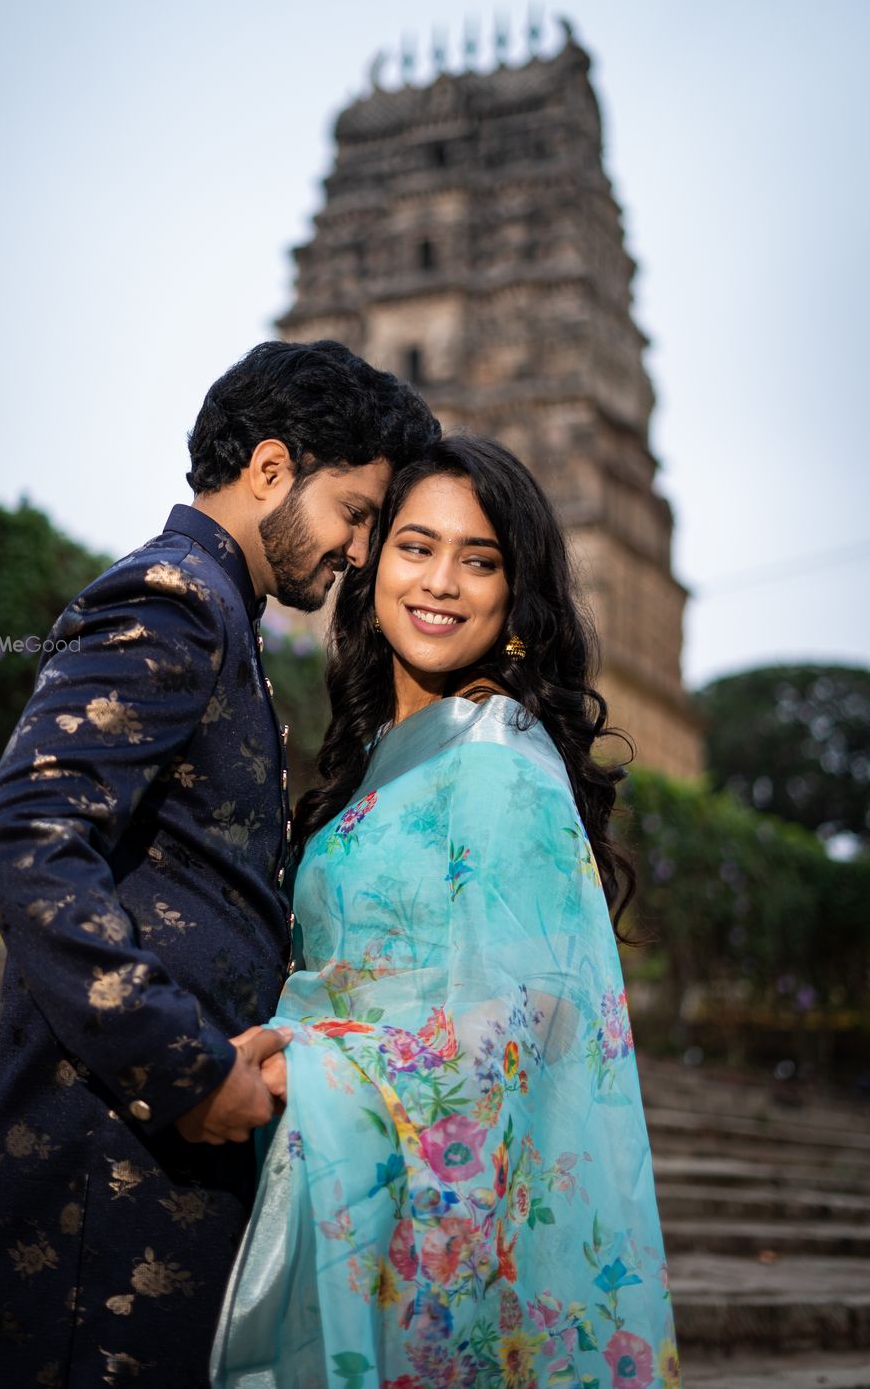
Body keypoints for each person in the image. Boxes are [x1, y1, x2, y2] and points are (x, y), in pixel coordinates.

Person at [0, 340, 441, 1389]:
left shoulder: (226, 613)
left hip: (155, 1151)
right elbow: (25, 835)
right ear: (271, 469)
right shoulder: (175, 597)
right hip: (105, 1157)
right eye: (354, 514)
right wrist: (184, 1066)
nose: (359, 554)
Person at [212, 435, 681, 1389]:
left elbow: (532, 1016)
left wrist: (322, 1064)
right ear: (372, 560)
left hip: (400, 1176)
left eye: (480, 561)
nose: (441, 582)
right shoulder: (389, 749)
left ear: (515, 599)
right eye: (416, 547)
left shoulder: (499, 758)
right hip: (313, 1151)